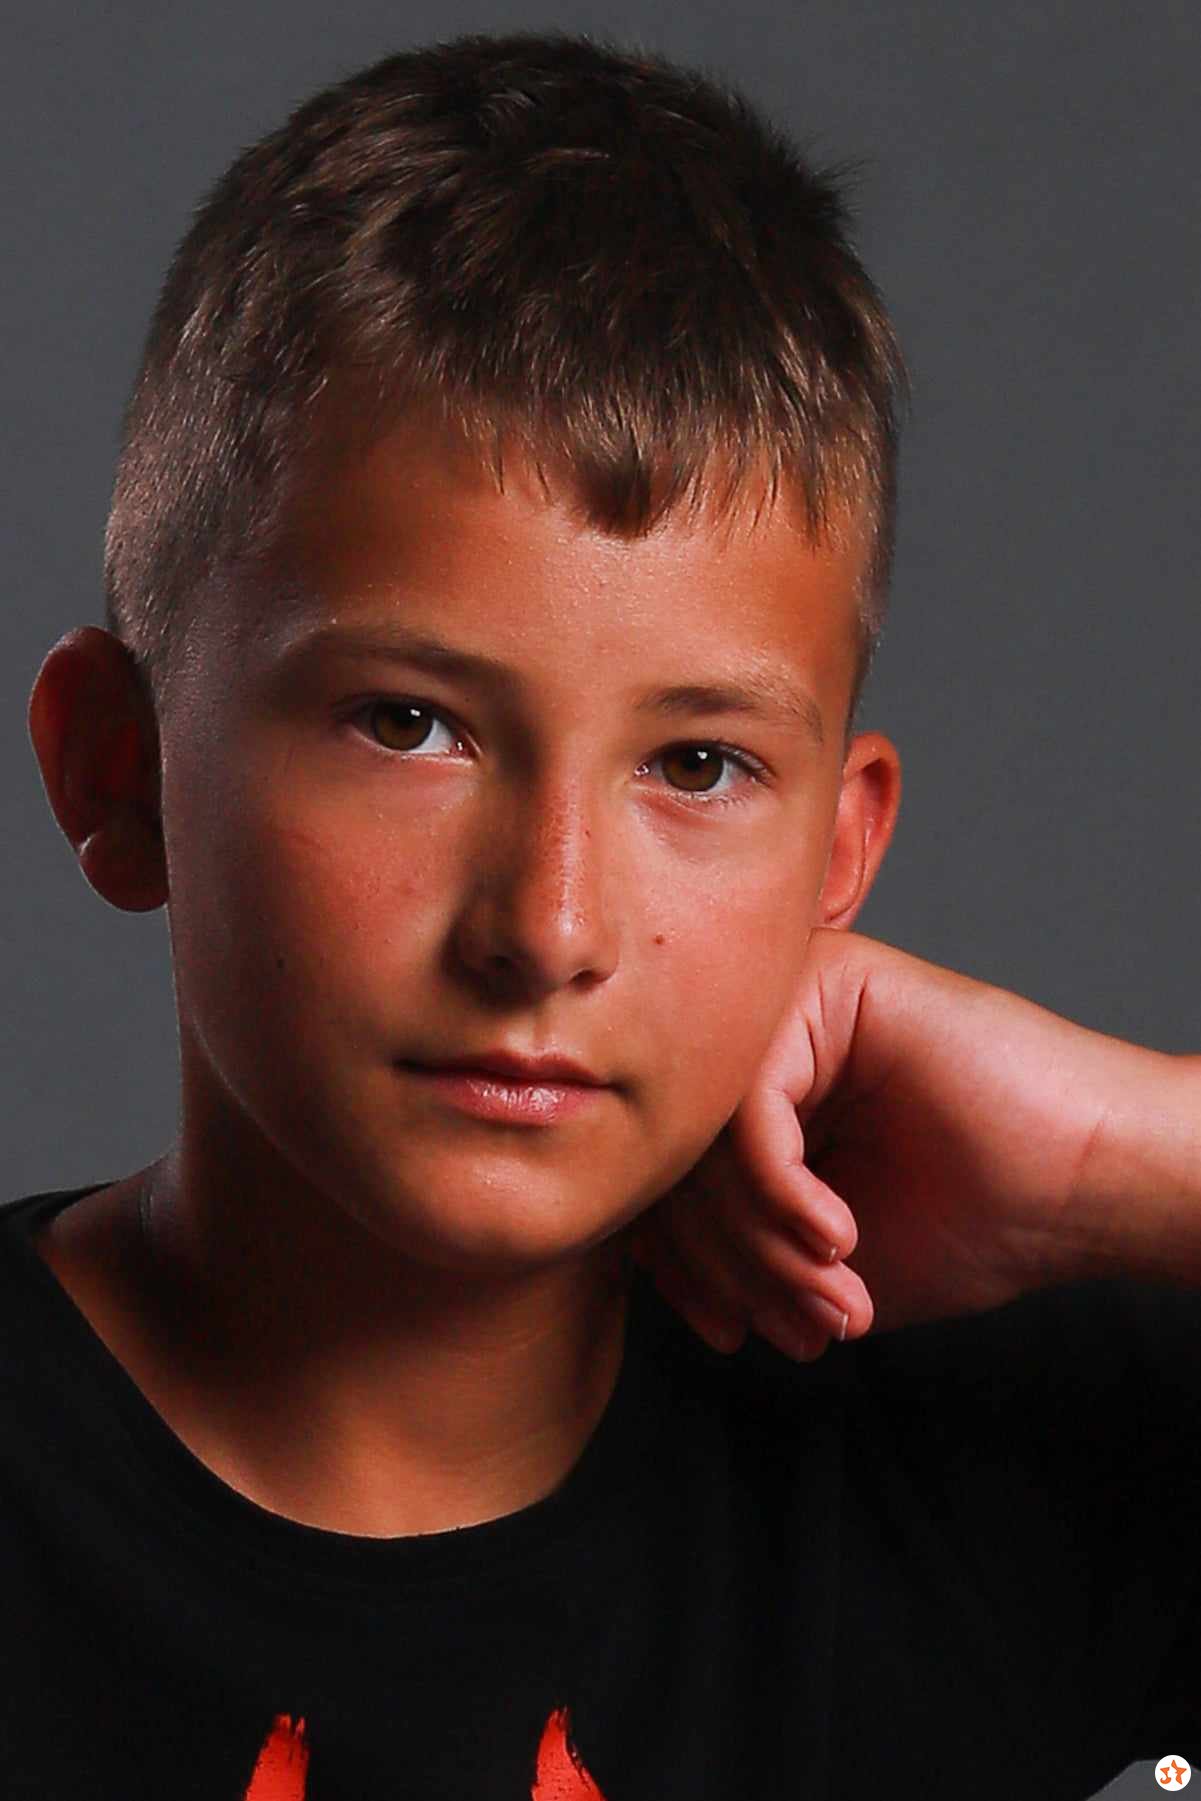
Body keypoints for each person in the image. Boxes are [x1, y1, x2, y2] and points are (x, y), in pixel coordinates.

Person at [6, 28, 1198, 1800]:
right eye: (407, 724)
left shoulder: (1017, 1461)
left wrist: (1132, 1158)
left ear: (837, 852)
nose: (548, 923)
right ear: (117, 768)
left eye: (698, 765)